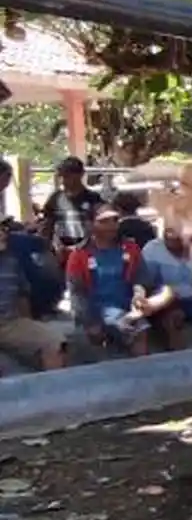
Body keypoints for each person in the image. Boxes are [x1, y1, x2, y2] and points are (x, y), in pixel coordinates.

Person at [65, 204, 151, 356]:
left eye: (115, 220)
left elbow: (141, 277)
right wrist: (91, 323)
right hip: (95, 312)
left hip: (128, 309)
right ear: (91, 224)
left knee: (140, 331)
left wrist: (139, 294)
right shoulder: (79, 255)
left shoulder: (131, 248)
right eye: (104, 221)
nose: (111, 225)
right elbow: (77, 294)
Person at [0, 160, 64, 319]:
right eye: (7, 177)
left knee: (37, 246)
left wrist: (23, 227)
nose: (8, 182)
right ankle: (41, 303)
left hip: (8, 234)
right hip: (5, 239)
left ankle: (44, 301)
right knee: (32, 249)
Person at [0, 220, 66, 371]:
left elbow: (22, 296)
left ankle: (52, 391)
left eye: (3, 229)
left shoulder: (11, 261)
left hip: (8, 324)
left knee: (53, 340)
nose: (2, 234)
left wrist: (29, 325)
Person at [135, 224, 192, 350]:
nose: (172, 240)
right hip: (166, 299)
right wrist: (142, 297)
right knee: (173, 320)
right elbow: (146, 282)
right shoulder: (152, 249)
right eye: (168, 235)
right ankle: (177, 359)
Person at [39, 156, 105, 260]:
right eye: (63, 176)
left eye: (69, 176)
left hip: (87, 253)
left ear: (81, 174)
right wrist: (49, 249)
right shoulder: (55, 198)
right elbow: (47, 225)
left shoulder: (93, 199)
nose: (65, 180)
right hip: (60, 253)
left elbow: (101, 226)